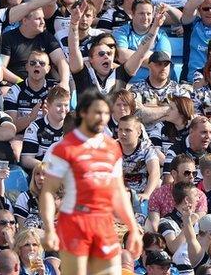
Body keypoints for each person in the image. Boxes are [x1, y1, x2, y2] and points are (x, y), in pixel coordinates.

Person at [41, 89, 143, 274]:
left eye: (105, 113)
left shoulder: (113, 148)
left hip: (104, 223)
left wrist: (133, 228)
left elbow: (119, 193)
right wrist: (48, 227)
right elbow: (48, 191)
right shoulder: (64, 150)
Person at [20, 86, 70, 170]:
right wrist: (51, 168)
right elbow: (26, 160)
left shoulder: (72, 126)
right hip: (43, 175)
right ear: (48, 105)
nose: (63, 109)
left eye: (66, 105)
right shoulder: (35, 127)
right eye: (59, 105)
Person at [119, 115, 160, 200]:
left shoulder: (147, 149)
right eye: (120, 129)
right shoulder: (112, 148)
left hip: (142, 194)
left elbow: (155, 173)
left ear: (138, 133)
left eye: (128, 130)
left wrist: (146, 194)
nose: (123, 133)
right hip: (120, 194)